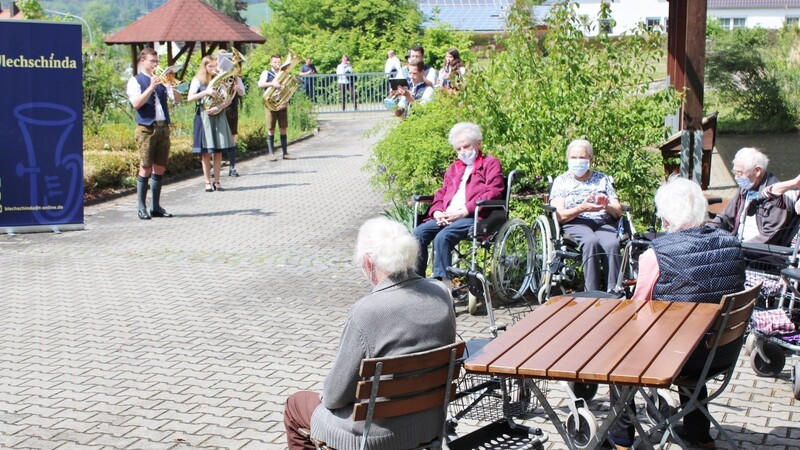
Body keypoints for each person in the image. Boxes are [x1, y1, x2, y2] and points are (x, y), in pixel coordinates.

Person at [283, 216, 456, 450]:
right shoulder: (440, 293)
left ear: (367, 261)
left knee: (295, 405)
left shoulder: (367, 311)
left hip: (373, 436)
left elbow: (335, 396)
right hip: (429, 425)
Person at [609, 177, 745, 450]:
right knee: (699, 334)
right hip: (720, 354)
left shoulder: (655, 255)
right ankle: (699, 433)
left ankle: (621, 438)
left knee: (618, 356)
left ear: (666, 220)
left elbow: (637, 310)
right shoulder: (732, 244)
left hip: (677, 359)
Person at [412, 122, 504, 289]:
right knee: (418, 234)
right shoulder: (454, 168)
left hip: (473, 216)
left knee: (442, 237)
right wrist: (437, 211)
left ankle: (444, 289)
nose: (462, 152)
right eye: (458, 149)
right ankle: (418, 284)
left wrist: (464, 210)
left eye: (466, 147)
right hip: (447, 215)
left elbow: (494, 191)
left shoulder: (491, 163)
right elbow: (441, 193)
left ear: (478, 143)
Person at [550, 139, 622, 292]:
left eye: (582, 158)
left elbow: (617, 211)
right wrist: (581, 208)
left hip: (603, 221)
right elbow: (559, 215)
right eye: (573, 158)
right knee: (591, 242)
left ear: (590, 159)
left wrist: (605, 205)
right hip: (576, 222)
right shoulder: (561, 181)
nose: (577, 161)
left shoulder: (602, 179)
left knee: (612, 244)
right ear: (568, 159)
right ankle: (592, 292)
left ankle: (614, 291)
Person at [127, 48, 182, 220]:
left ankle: (156, 206)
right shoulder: (135, 81)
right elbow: (136, 103)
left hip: (162, 126)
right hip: (146, 128)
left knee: (160, 167)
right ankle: (141, 207)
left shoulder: (163, 81)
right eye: (152, 61)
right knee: (145, 167)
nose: (155, 64)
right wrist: (151, 87)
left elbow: (179, 100)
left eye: (157, 62)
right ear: (143, 61)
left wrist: (172, 83)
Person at [708, 147, 790, 244]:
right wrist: (707, 230)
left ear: (757, 171)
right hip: (739, 243)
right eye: (735, 172)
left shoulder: (776, 196)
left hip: (760, 252)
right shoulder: (745, 188)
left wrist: (738, 248)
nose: (736, 177)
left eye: (740, 173)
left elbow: (769, 236)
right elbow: (726, 216)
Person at [187, 56, 235, 192]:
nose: (213, 70)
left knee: (218, 151)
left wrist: (219, 107)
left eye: (215, 66)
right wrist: (206, 92)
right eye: (210, 67)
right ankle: (207, 182)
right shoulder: (198, 80)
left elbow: (228, 99)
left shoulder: (221, 79)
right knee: (206, 152)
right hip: (204, 115)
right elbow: (190, 97)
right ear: (204, 67)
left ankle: (218, 181)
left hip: (218, 115)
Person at [258, 54, 295, 161]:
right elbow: (260, 84)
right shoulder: (266, 73)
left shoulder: (284, 74)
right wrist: (272, 84)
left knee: (283, 128)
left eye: (279, 62)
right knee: (271, 128)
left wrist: (287, 101)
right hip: (270, 105)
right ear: (271, 63)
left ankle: (285, 153)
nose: (277, 64)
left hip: (282, 104)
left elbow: (288, 89)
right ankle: (271, 154)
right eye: (275, 62)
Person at [216, 49, 245, 177]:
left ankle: (232, 167)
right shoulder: (212, 72)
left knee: (231, 136)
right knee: (216, 138)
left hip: (231, 107)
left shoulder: (234, 75)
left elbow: (242, 92)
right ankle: (215, 168)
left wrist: (237, 89)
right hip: (216, 107)